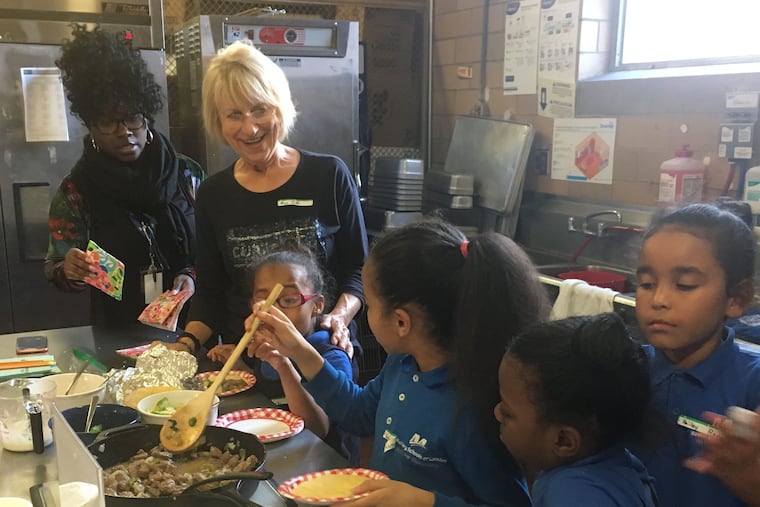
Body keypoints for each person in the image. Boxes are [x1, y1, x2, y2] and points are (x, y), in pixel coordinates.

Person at [246, 218, 551, 507]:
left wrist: (426, 501)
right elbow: (357, 414)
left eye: (371, 304)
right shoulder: (403, 365)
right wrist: (297, 350)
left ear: (402, 322)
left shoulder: (470, 408)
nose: (367, 313)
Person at [172, 40, 367, 388]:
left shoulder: (329, 175)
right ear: (219, 121)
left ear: (280, 108)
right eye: (234, 114)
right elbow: (212, 292)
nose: (250, 128)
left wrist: (338, 316)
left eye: (260, 109)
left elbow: (359, 269)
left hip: (326, 358)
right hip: (250, 368)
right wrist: (184, 345)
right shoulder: (214, 194)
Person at [44, 25, 203, 328]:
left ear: (146, 116)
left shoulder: (187, 174)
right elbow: (55, 266)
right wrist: (70, 268)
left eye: (133, 118)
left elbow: (216, 246)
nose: (125, 132)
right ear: (91, 126)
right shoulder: (76, 191)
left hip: (195, 327)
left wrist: (190, 274)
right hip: (117, 330)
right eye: (108, 122)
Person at [631, 201, 760, 507]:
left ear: (737, 299)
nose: (658, 299)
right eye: (647, 283)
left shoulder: (752, 385)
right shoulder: (624, 371)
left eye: (685, 285)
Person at [207, 249, 360, 464]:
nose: (275, 311)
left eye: (289, 300)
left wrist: (283, 364)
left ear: (317, 305)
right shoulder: (267, 342)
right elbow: (271, 391)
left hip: (320, 464)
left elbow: (317, 428)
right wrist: (240, 367)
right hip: (273, 453)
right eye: (264, 301)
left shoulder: (332, 353)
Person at [495, 313, 658, 506]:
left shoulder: (572, 495)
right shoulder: (618, 463)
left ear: (564, 440)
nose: (497, 413)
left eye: (507, 412)